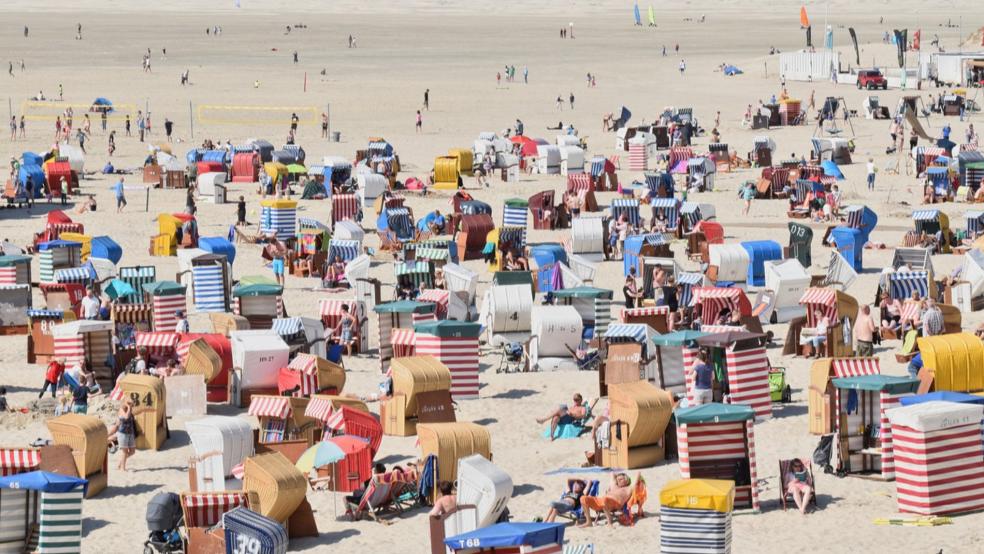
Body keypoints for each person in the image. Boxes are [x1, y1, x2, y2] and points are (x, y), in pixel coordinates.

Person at [112, 400, 136, 471]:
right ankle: (122, 468)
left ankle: (121, 463)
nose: (132, 405)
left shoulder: (130, 410)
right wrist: (129, 407)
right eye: (130, 404)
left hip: (130, 433)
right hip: (123, 433)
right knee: (125, 452)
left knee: (132, 451)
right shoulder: (121, 409)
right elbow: (126, 417)